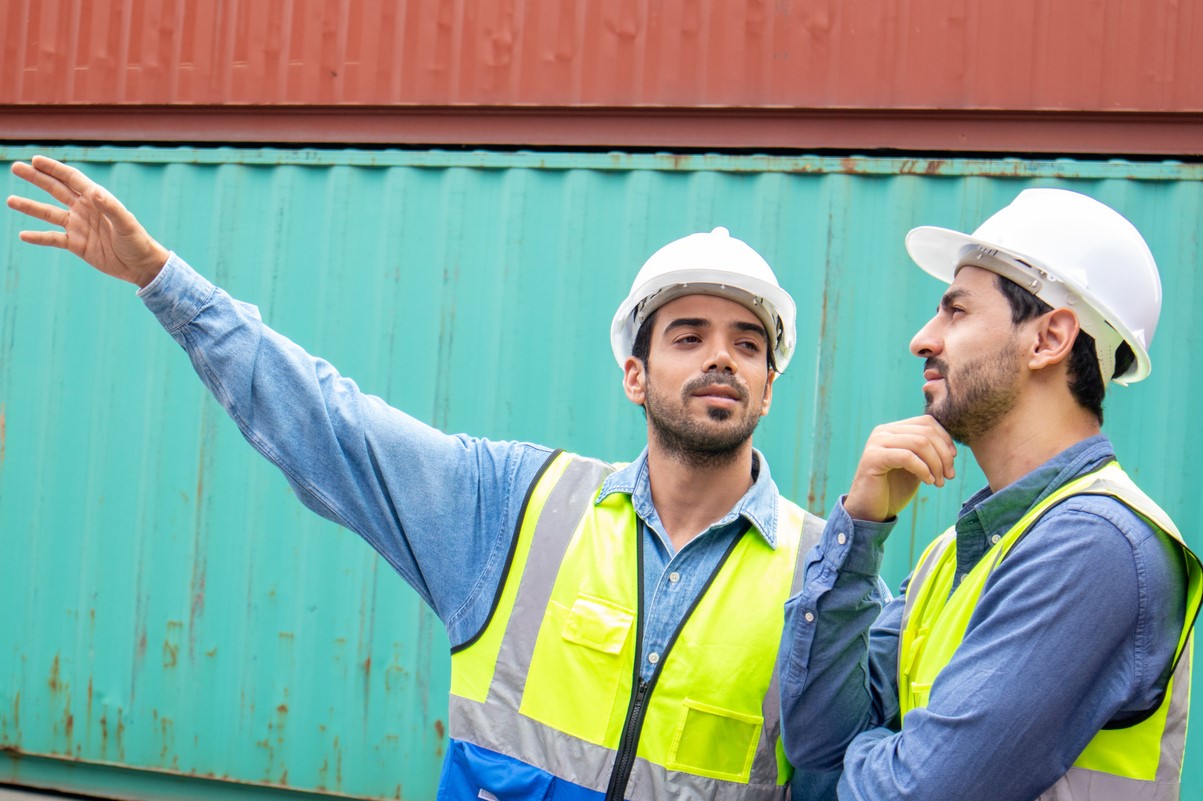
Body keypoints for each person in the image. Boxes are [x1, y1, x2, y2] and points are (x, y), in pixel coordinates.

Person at [8, 156, 834, 801]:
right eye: (687, 335)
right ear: (634, 372)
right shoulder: (518, 505)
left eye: (747, 343)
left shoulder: (824, 570)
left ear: (767, 383)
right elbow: (333, 423)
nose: (721, 355)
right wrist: (163, 279)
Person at [779, 187, 1203, 800]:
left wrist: (871, 756)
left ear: (1049, 338)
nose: (922, 340)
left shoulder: (1097, 546)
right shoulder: (953, 553)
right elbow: (817, 750)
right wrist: (860, 530)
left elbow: (912, 794)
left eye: (956, 311)